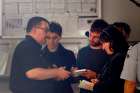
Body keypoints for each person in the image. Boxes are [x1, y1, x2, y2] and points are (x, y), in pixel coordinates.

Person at [10, 16, 71, 93]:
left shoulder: (35, 48)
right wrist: (57, 72)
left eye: (55, 38)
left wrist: (55, 73)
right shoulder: (27, 46)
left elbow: (77, 80)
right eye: (46, 30)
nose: (47, 34)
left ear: (60, 37)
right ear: (34, 29)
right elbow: (33, 73)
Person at [76, 19, 110, 93]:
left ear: (103, 37)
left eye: (96, 37)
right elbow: (79, 81)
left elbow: (112, 82)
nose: (91, 39)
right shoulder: (82, 52)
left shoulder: (108, 53)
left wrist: (96, 75)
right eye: (90, 34)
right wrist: (74, 73)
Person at [42, 21, 76, 93]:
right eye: (48, 38)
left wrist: (71, 75)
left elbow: (74, 80)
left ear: (60, 37)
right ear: (45, 37)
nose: (51, 41)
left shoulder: (69, 54)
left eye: (54, 38)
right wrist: (55, 74)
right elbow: (36, 79)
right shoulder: (39, 55)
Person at [93, 25, 128, 93]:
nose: (103, 48)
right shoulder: (116, 56)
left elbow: (112, 85)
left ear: (112, 41)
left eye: (104, 43)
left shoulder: (119, 58)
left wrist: (96, 85)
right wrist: (100, 81)